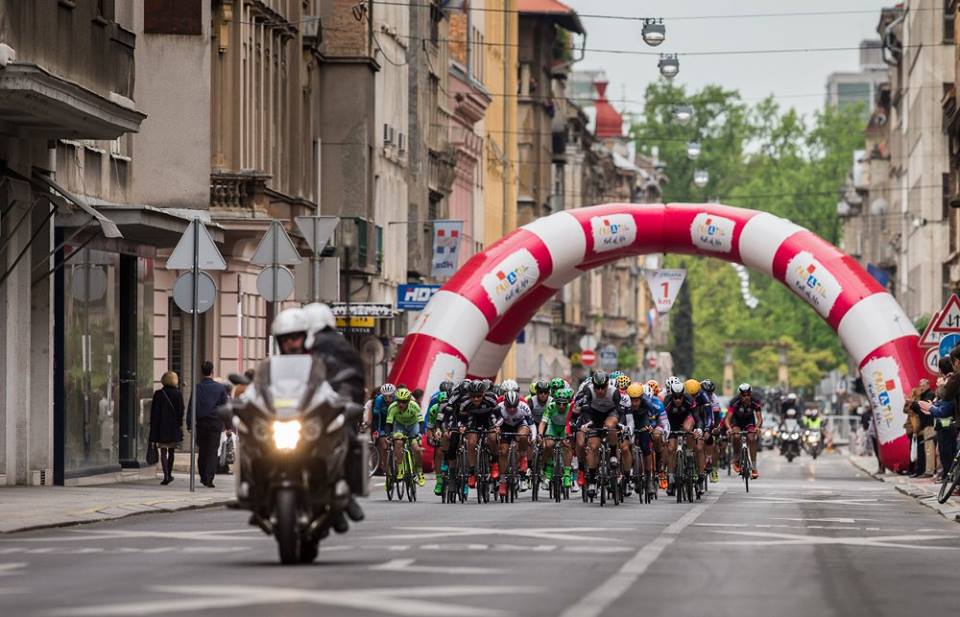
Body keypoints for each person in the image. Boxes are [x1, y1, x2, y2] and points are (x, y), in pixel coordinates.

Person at [303, 302, 367, 524]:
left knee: (344, 438)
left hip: (328, 407)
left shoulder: (338, 346)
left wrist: (344, 398)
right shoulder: (297, 343)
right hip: (298, 409)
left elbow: (353, 378)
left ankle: (345, 493)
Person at [187, 360, 228, 488]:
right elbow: (225, 407)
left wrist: (189, 423)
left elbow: (191, 406)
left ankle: (203, 476)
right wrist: (227, 425)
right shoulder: (220, 388)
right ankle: (209, 478)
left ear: (202, 372)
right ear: (212, 371)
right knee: (212, 450)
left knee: (203, 450)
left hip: (201, 422)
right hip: (215, 423)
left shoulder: (197, 387)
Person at [149, 371, 184, 485]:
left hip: (161, 427)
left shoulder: (158, 394)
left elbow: (154, 413)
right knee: (172, 451)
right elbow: (181, 411)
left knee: (163, 451)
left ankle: (166, 475)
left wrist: (153, 429)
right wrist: (179, 424)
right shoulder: (178, 393)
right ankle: (169, 472)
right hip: (173, 427)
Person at [496, 390, 534, 496]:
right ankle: (502, 481)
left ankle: (523, 457)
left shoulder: (524, 407)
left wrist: (533, 437)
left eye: (514, 406)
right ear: (504, 404)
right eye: (509, 406)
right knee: (503, 451)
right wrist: (497, 428)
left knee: (523, 436)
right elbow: (495, 424)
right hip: (505, 425)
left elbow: (532, 425)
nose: (512, 409)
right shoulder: (499, 408)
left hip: (520, 424)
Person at [385, 388, 425, 487]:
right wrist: (388, 435)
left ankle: (419, 472)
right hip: (400, 425)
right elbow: (389, 424)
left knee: (416, 449)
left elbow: (421, 422)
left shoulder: (414, 406)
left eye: (404, 402)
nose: (401, 404)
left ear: (408, 401)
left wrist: (420, 434)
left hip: (413, 425)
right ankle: (400, 468)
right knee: (398, 442)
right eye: (399, 401)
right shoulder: (392, 407)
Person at [539, 387, 574, 489]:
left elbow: (572, 424)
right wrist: (540, 434)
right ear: (555, 402)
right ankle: (548, 470)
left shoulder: (570, 407)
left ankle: (567, 474)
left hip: (565, 428)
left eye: (564, 403)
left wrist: (568, 435)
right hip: (553, 427)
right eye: (559, 403)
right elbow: (543, 422)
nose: (561, 406)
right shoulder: (550, 407)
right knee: (548, 444)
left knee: (567, 446)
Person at [725, 383, 762, 479]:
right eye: (743, 395)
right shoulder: (734, 402)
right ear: (740, 395)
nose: (746, 397)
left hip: (749, 422)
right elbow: (728, 419)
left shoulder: (755, 401)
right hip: (737, 422)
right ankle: (736, 457)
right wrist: (729, 428)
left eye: (748, 394)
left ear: (751, 394)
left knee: (752, 438)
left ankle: (754, 466)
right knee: (736, 436)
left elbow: (759, 418)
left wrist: (757, 427)